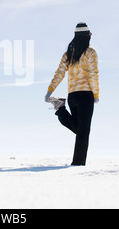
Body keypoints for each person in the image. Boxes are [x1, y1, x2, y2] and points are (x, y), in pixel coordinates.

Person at [45, 22, 99, 166]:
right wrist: (96, 94)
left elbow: (60, 73)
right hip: (85, 96)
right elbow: (94, 75)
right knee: (83, 133)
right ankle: (78, 165)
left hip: (73, 97)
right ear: (87, 36)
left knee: (79, 130)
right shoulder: (90, 53)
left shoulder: (68, 54)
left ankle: (60, 108)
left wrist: (50, 90)